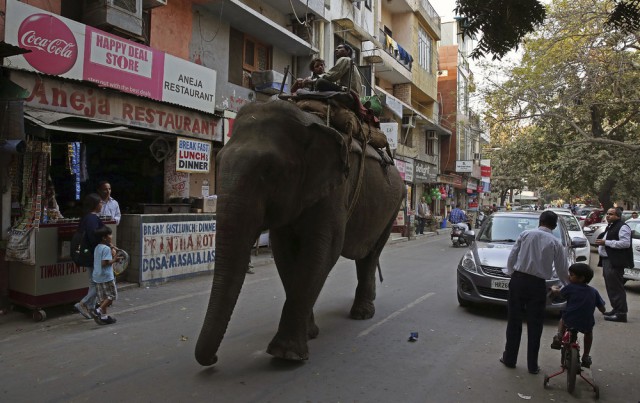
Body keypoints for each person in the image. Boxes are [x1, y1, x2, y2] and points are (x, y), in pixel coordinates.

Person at [500, 210, 569, 375]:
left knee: (514, 321)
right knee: (535, 324)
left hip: (518, 281)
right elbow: (561, 269)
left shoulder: (526, 234)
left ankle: (510, 359)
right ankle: (532, 365)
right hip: (538, 285)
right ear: (554, 225)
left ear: (540, 221)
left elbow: (513, 256)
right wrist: (567, 286)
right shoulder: (555, 242)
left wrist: (511, 273)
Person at [549, 263, 606, 368]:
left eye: (571, 275)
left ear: (581, 278)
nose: (569, 277)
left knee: (563, 319)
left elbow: (559, 293)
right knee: (588, 333)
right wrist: (603, 311)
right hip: (586, 322)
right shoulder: (593, 291)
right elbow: (602, 308)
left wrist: (553, 288)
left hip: (570, 319)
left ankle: (559, 336)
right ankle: (586, 356)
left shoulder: (570, 288)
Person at [594, 207, 633, 323]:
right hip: (607, 260)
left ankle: (621, 313)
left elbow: (625, 243)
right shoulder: (611, 226)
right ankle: (616, 309)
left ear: (618, 216)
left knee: (616, 287)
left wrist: (606, 242)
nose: (608, 216)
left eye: (611, 214)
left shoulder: (623, 227)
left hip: (615, 262)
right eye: (608, 214)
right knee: (610, 286)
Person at [74, 193, 105, 319]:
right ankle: (83, 303)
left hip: (88, 254)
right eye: (100, 203)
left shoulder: (87, 218)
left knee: (93, 282)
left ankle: (91, 308)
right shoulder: (92, 219)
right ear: (96, 205)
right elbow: (93, 238)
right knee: (100, 283)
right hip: (93, 255)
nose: (102, 205)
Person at [91, 226, 121, 325]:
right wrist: (115, 259)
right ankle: (98, 311)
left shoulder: (97, 247)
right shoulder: (106, 249)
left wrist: (112, 247)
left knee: (103, 298)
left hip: (97, 276)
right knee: (112, 296)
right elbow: (105, 263)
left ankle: (104, 317)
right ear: (104, 238)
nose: (111, 236)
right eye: (110, 235)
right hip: (106, 276)